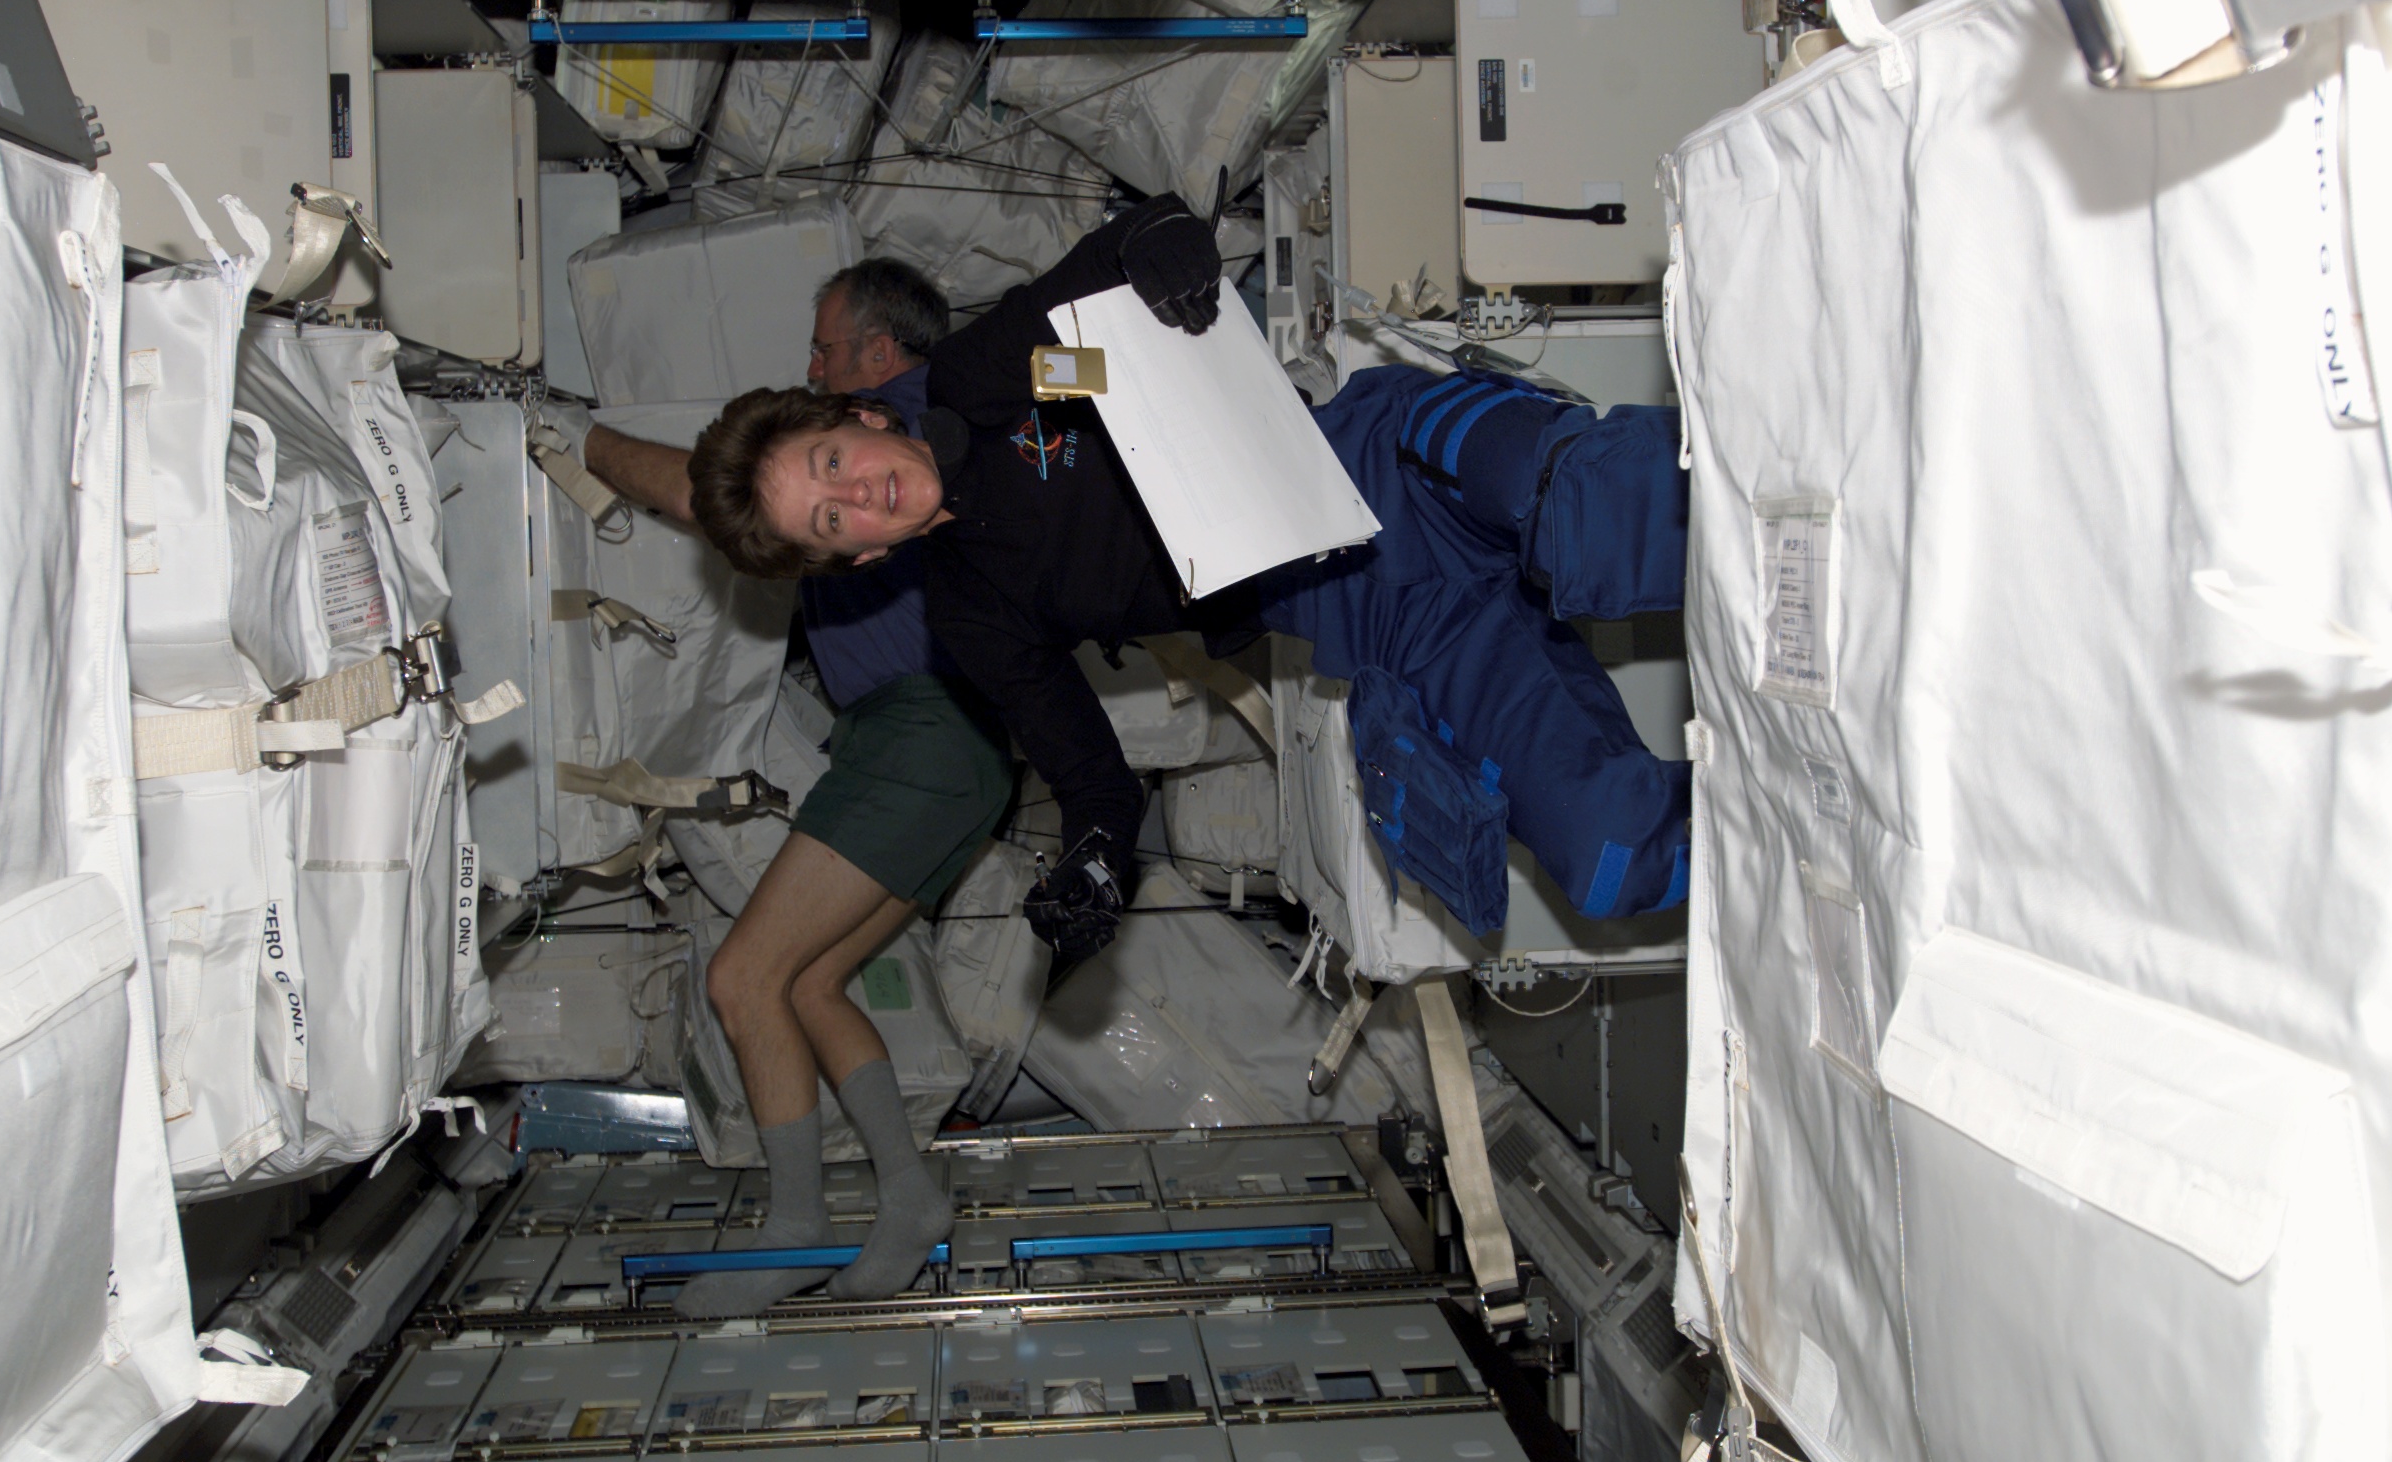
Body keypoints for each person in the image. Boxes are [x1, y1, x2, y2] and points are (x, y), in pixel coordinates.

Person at [685, 197, 1690, 976]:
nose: (857, 495)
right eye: (830, 521)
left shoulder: (975, 381)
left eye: (829, 464)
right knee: (1608, 857)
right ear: (859, 560)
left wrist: (1165, 245)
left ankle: (1783, 517)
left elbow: (1123, 248)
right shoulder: (972, 618)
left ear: (859, 417)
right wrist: (1090, 866)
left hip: (1385, 461)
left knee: (1586, 515)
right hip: (1392, 619)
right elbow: (1096, 785)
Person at [560, 258, 1008, 1316]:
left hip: (925, 731)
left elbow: (697, 496)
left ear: (879, 358)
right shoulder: (900, 435)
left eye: (824, 349)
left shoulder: (893, 430)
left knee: (743, 980)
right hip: (943, 743)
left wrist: (576, 436)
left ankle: (796, 1227)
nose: (811, 369)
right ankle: (909, 1199)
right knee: (808, 986)